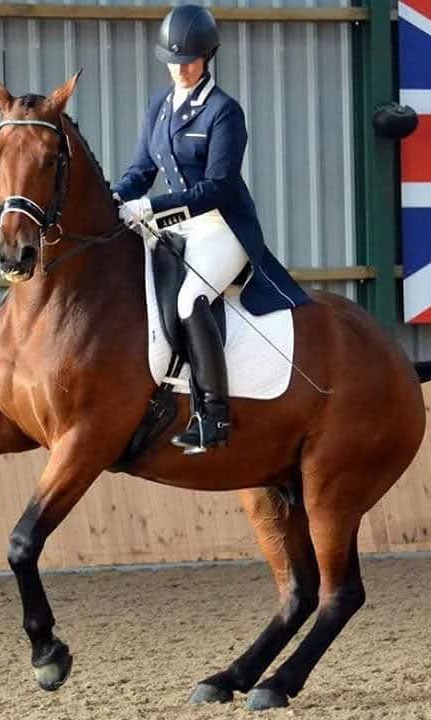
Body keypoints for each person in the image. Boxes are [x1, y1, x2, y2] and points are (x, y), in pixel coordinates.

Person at [112, 3, 311, 455]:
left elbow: (216, 188)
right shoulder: (159, 106)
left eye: (189, 61)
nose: (181, 69)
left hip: (222, 226)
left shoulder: (224, 112)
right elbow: (141, 170)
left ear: (207, 58)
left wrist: (151, 206)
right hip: (177, 227)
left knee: (190, 300)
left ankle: (214, 415)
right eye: (174, 61)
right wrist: (118, 197)